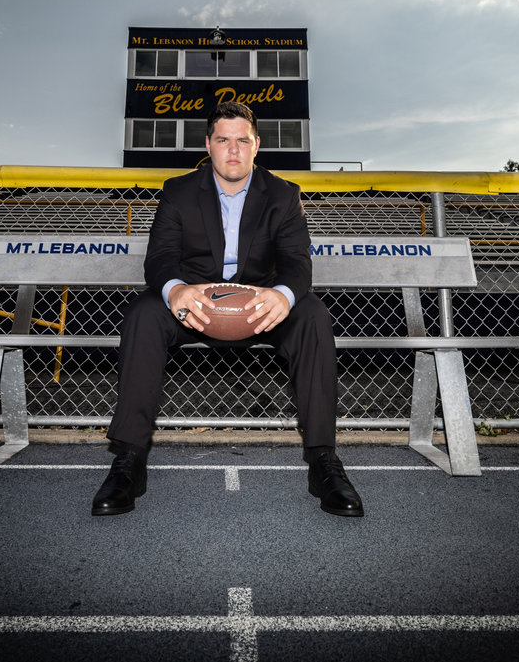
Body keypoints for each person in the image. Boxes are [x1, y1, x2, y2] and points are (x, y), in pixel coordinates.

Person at [92, 101, 364, 517]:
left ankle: (323, 460)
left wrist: (281, 296)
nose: (233, 150)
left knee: (312, 315)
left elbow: (297, 262)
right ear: (208, 145)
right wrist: (176, 291)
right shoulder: (179, 191)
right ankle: (129, 459)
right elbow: (160, 258)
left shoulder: (283, 194)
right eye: (223, 140)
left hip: (258, 307)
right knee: (144, 313)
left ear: (257, 145)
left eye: (242, 140)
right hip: (196, 306)